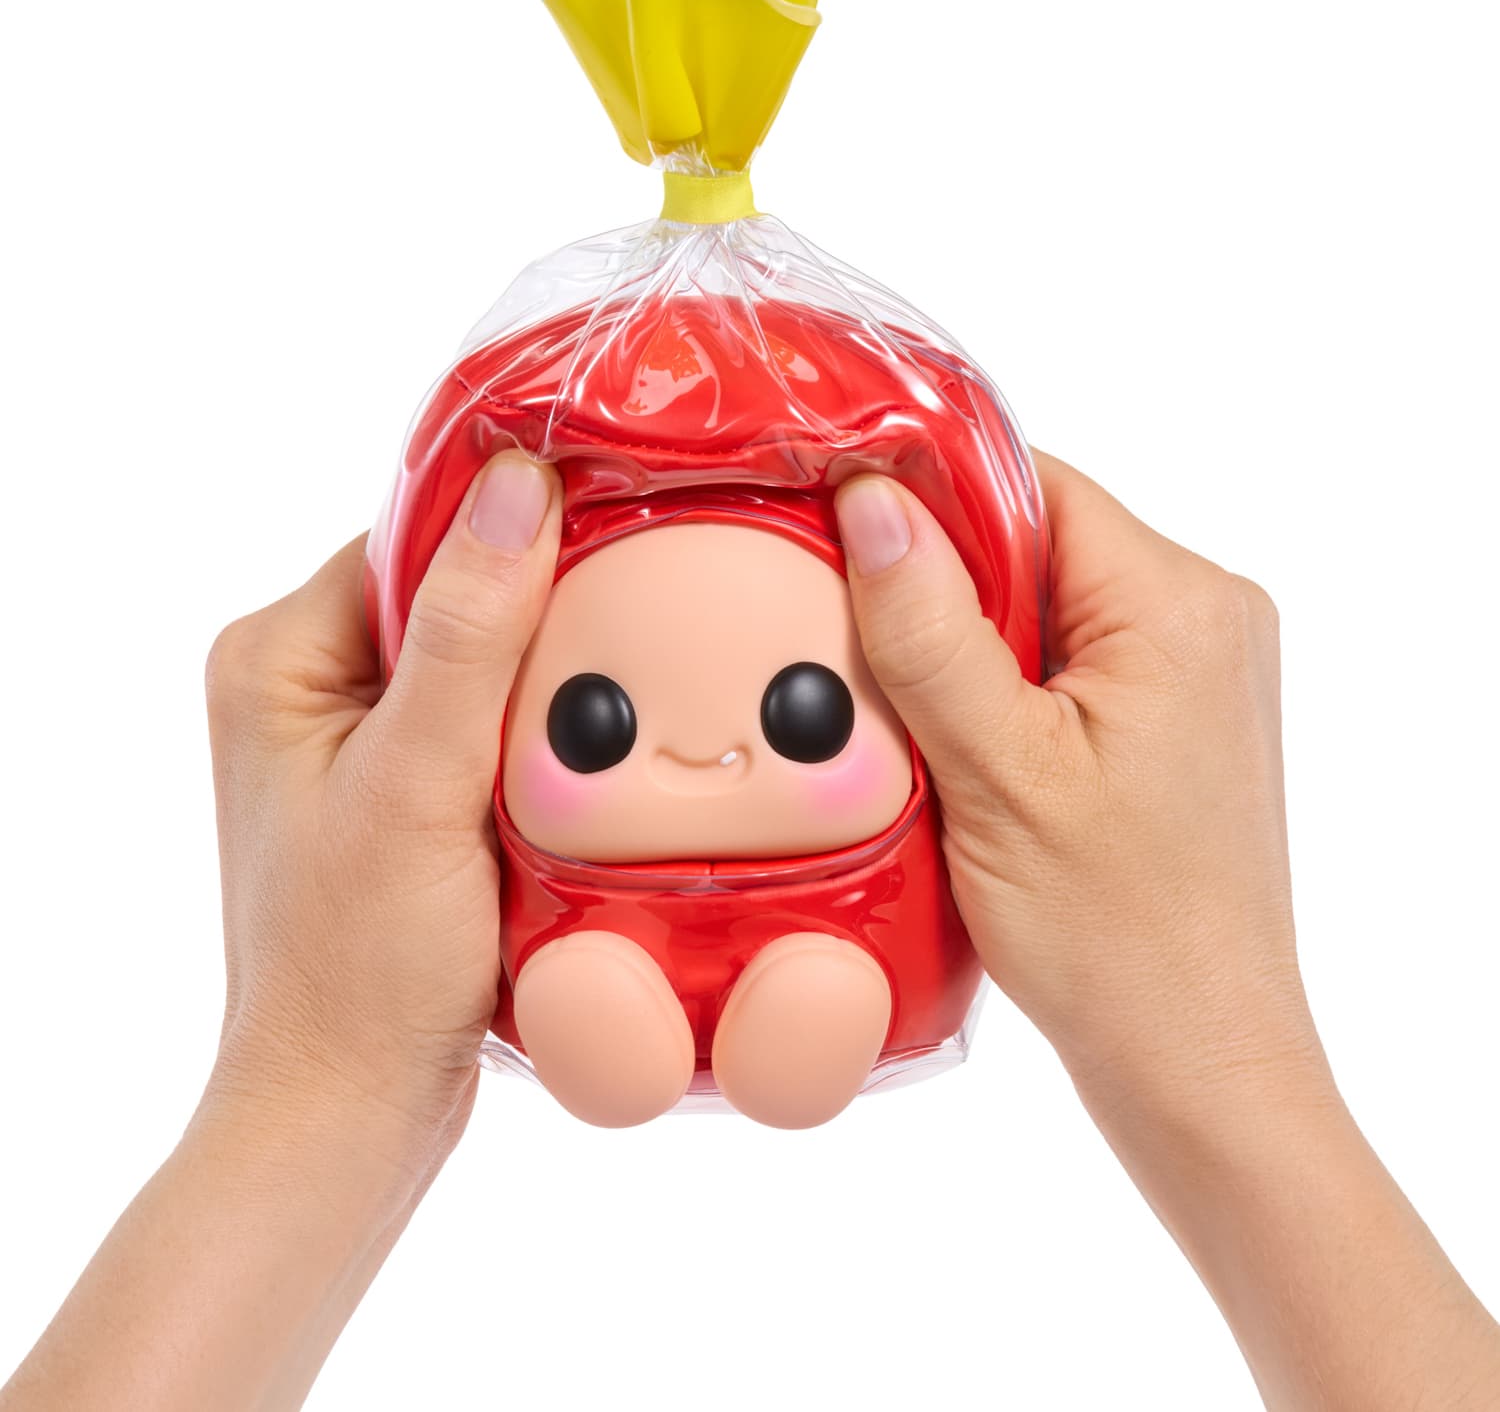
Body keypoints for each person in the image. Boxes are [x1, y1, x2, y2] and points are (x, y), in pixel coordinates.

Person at [2, 448, 1497, 1412]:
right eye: (593, 721)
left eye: (805, 710)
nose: (711, 761)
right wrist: (1239, 1081)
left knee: (812, 988)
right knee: (609, 988)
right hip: (596, 944)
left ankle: (789, 991)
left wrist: (317, 1094)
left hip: (830, 945)